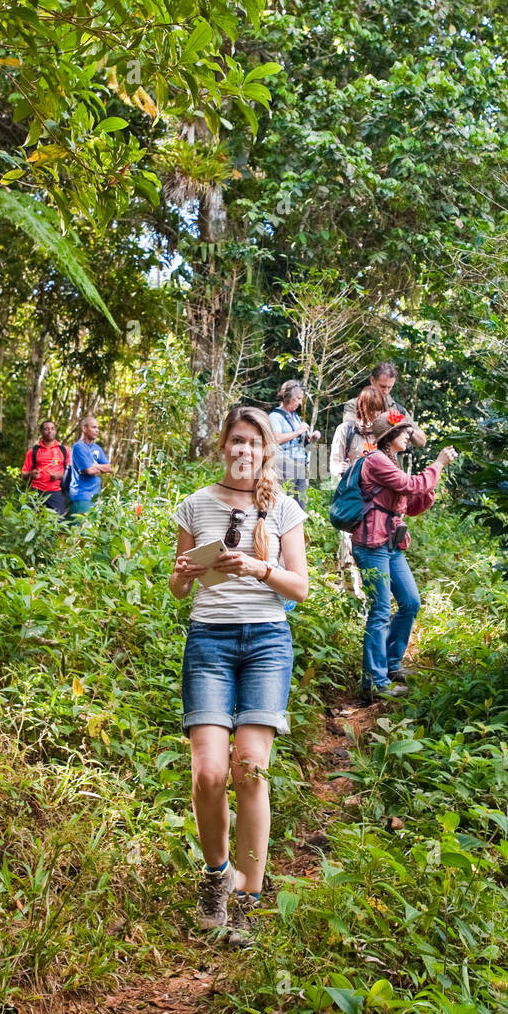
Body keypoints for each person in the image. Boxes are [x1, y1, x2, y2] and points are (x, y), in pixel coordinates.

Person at [168, 405, 309, 947]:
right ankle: (216, 875)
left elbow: (299, 588)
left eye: (254, 442)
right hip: (209, 643)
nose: (244, 451)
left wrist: (257, 567)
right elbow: (181, 590)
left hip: (267, 645)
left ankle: (248, 897)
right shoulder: (195, 505)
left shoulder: (285, 509)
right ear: (223, 447)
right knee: (208, 774)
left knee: (251, 770)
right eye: (237, 441)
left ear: (265, 449)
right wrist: (184, 575)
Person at [351, 408, 457, 701]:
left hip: (391, 544)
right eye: (406, 432)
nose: (410, 436)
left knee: (410, 602)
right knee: (381, 610)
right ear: (391, 436)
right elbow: (411, 485)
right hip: (371, 545)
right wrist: (437, 464)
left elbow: (408, 505)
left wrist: (428, 490)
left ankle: (391, 664)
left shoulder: (391, 461)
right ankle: (374, 682)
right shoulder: (374, 461)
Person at [329, 386, 387, 597]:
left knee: (375, 549)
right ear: (362, 408)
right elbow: (333, 465)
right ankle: (352, 597)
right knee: (350, 550)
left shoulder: (384, 433)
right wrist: (343, 470)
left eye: (378, 410)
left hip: (378, 503)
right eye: (371, 410)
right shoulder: (346, 431)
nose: (375, 415)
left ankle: (371, 597)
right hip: (353, 501)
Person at [342, 361, 427, 450]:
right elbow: (348, 430)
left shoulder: (397, 409)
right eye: (382, 386)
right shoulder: (353, 405)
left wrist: (406, 428)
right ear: (372, 380)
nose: (386, 391)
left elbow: (422, 441)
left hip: (390, 462)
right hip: (360, 458)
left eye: (389, 387)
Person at [269, 379, 320, 510]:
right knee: (284, 503)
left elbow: (303, 444)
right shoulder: (275, 416)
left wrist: (312, 438)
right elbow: (276, 438)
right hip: (283, 465)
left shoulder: (295, 417)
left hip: (299, 464)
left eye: (301, 399)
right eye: (297, 398)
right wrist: (297, 431)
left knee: (299, 505)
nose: (299, 402)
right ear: (288, 397)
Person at [20, 419, 70, 515]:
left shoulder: (64, 450)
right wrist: (31, 474)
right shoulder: (33, 451)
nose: (50, 431)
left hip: (56, 492)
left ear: (55, 431)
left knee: (58, 523)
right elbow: (23, 475)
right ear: (41, 432)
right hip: (36, 492)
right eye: (46, 429)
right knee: (32, 522)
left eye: (52, 428)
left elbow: (71, 473)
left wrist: (59, 476)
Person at [68, 415, 114, 517]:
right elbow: (89, 471)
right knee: (81, 530)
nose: (97, 430)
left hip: (95, 495)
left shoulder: (96, 447)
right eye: (93, 427)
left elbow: (109, 468)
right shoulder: (79, 447)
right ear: (84, 428)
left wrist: (96, 466)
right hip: (81, 495)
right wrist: (99, 467)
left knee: (91, 530)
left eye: (97, 428)